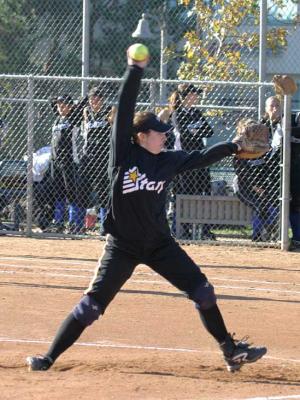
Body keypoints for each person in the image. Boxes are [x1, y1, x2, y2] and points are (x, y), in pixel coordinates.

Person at [26, 49, 267, 373]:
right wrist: (134, 70)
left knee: (203, 291)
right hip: (122, 246)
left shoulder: (167, 160)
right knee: (90, 307)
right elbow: (125, 108)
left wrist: (234, 147)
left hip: (159, 244)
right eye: (158, 131)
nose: (165, 134)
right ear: (141, 137)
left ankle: (230, 350)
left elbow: (201, 156)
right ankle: (48, 358)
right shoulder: (124, 154)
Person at [160, 84, 215, 240]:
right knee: (183, 193)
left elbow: (209, 131)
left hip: (199, 157)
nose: (195, 97)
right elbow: (184, 134)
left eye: (196, 95)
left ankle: (204, 230)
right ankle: (181, 229)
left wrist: (194, 131)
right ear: (184, 97)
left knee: (203, 192)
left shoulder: (197, 113)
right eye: (191, 95)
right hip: (183, 159)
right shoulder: (177, 114)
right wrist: (195, 131)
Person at [233, 118, 280, 242]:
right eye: (251, 128)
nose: (254, 130)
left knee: (273, 205)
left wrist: (264, 186)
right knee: (260, 206)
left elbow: (268, 168)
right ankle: (258, 236)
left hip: (263, 185)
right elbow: (241, 172)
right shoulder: (240, 147)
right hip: (244, 185)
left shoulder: (262, 146)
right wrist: (254, 186)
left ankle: (270, 233)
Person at [261, 97, 300, 247]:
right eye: (272, 106)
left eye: (278, 105)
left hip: (292, 170)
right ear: (266, 108)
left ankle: (296, 238)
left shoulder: (290, 122)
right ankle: (263, 237)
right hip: (269, 172)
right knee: (271, 202)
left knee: (295, 204)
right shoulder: (261, 125)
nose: (275, 108)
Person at [46, 94, 87, 234]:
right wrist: (58, 102)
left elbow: (83, 101)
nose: (60, 107)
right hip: (55, 160)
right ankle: (58, 222)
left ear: (71, 106)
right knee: (58, 193)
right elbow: (50, 100)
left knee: (71, 192)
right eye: (59, 105)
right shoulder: (57, 119)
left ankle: (74, 223)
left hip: (69, 160)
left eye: (64, 105)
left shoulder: (74, 118)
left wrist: (73, 105)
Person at [81, 86, 112, 234]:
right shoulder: (86, 112)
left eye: (98, 98)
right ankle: (83, 223)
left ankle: (104, 225)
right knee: (83, 188)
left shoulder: (108, 111)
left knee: (103, 191)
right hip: (88, 155)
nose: (95, 101)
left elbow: (113, 120)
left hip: (103, 157)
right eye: (92, 98)